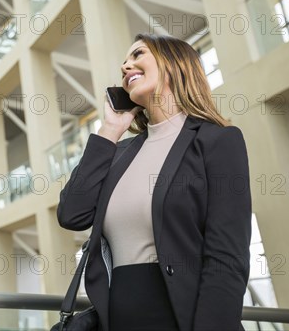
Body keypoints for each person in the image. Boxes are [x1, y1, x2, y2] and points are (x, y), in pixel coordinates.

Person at [57, 33, 252, 331]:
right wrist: (110, 130)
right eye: (123, 62)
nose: (126, 66)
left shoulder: (217, 140)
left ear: (174, 64)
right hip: (119, 320)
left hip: (181, 318)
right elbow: (72, 214)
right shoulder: (119, 152)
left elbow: (227, 255)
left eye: (137, 54)